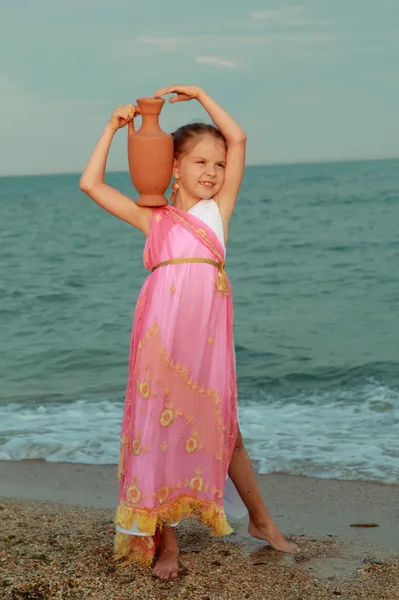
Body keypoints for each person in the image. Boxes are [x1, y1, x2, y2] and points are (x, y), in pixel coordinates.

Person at [79, 85, 299, 582]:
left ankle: (262, 522)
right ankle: (167, 545)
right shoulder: (153, 218)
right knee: (158, 431)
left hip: (207, 336)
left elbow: (238, 137)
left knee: (226, 429)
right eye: (200, 162)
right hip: (161, 332)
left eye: (217, 165)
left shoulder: (216, 213)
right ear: (173, 166)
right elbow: (91, 183)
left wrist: (201, 94)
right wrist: (113, 130)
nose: (211, 172)